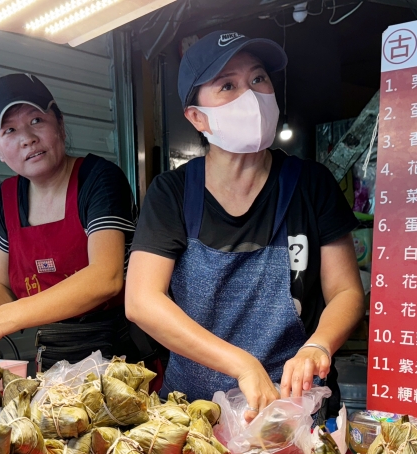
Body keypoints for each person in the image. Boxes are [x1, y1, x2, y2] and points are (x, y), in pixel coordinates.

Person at [126, 31, 365, 418]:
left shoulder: (310, 184)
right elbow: (141, 301)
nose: (251, 95)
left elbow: (346, 292)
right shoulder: (172, 192)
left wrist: (318, 345)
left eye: (258, 79)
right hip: (194, 418)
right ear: (197, 117)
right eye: (228, 85)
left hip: (294, 411)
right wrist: (242, 364)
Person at [0, 73, 144, 372]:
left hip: (120, 357)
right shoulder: (6, 197)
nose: (27, 138)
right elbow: (4, 285)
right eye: (9, 130)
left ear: (60, 125)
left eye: (36, 120)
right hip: (53, 360)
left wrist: (1, 320)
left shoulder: (99, 179)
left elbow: (106, 277)